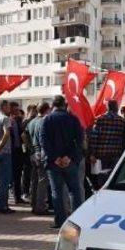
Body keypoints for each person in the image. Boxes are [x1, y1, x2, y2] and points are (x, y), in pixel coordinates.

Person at [40, 95, 84, 229]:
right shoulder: (73, 119)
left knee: (57, 193)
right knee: (75, 191)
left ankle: (60, 222)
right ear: (65, 105)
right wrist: (69, 157)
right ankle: (77, 222)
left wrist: (55, 158)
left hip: (54, 164)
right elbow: (80, 140)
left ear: (53, 106)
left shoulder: (47, 119)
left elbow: (44, 141)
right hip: (69, 162)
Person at [89, 100, 125, 184]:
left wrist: (92, 154)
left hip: (101, 154)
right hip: (116, 153)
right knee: (114, 176)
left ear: (107, 107)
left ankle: (102, 191)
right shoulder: (122, 121)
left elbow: (94, 137)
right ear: (117, 108)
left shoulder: (99, 119)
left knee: (102, 176)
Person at [26, 102, 51, 215]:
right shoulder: (44, 121)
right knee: (42, 181)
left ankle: (34, 203)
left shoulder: (31, 122)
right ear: (47, 109)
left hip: (33, 154)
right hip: (40, 153)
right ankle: (40, 207)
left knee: (35, 180)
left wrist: (29, 147)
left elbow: (24, 135)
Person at [9, 102, 26, 204]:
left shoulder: (18, 121)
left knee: (18, 174)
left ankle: (18, 196)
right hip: (10, 151)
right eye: (15, 110)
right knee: (12, 175)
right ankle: (15, 196)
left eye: (17, 109)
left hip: (19, 150)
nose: (17, 111)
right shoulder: (7, 120)